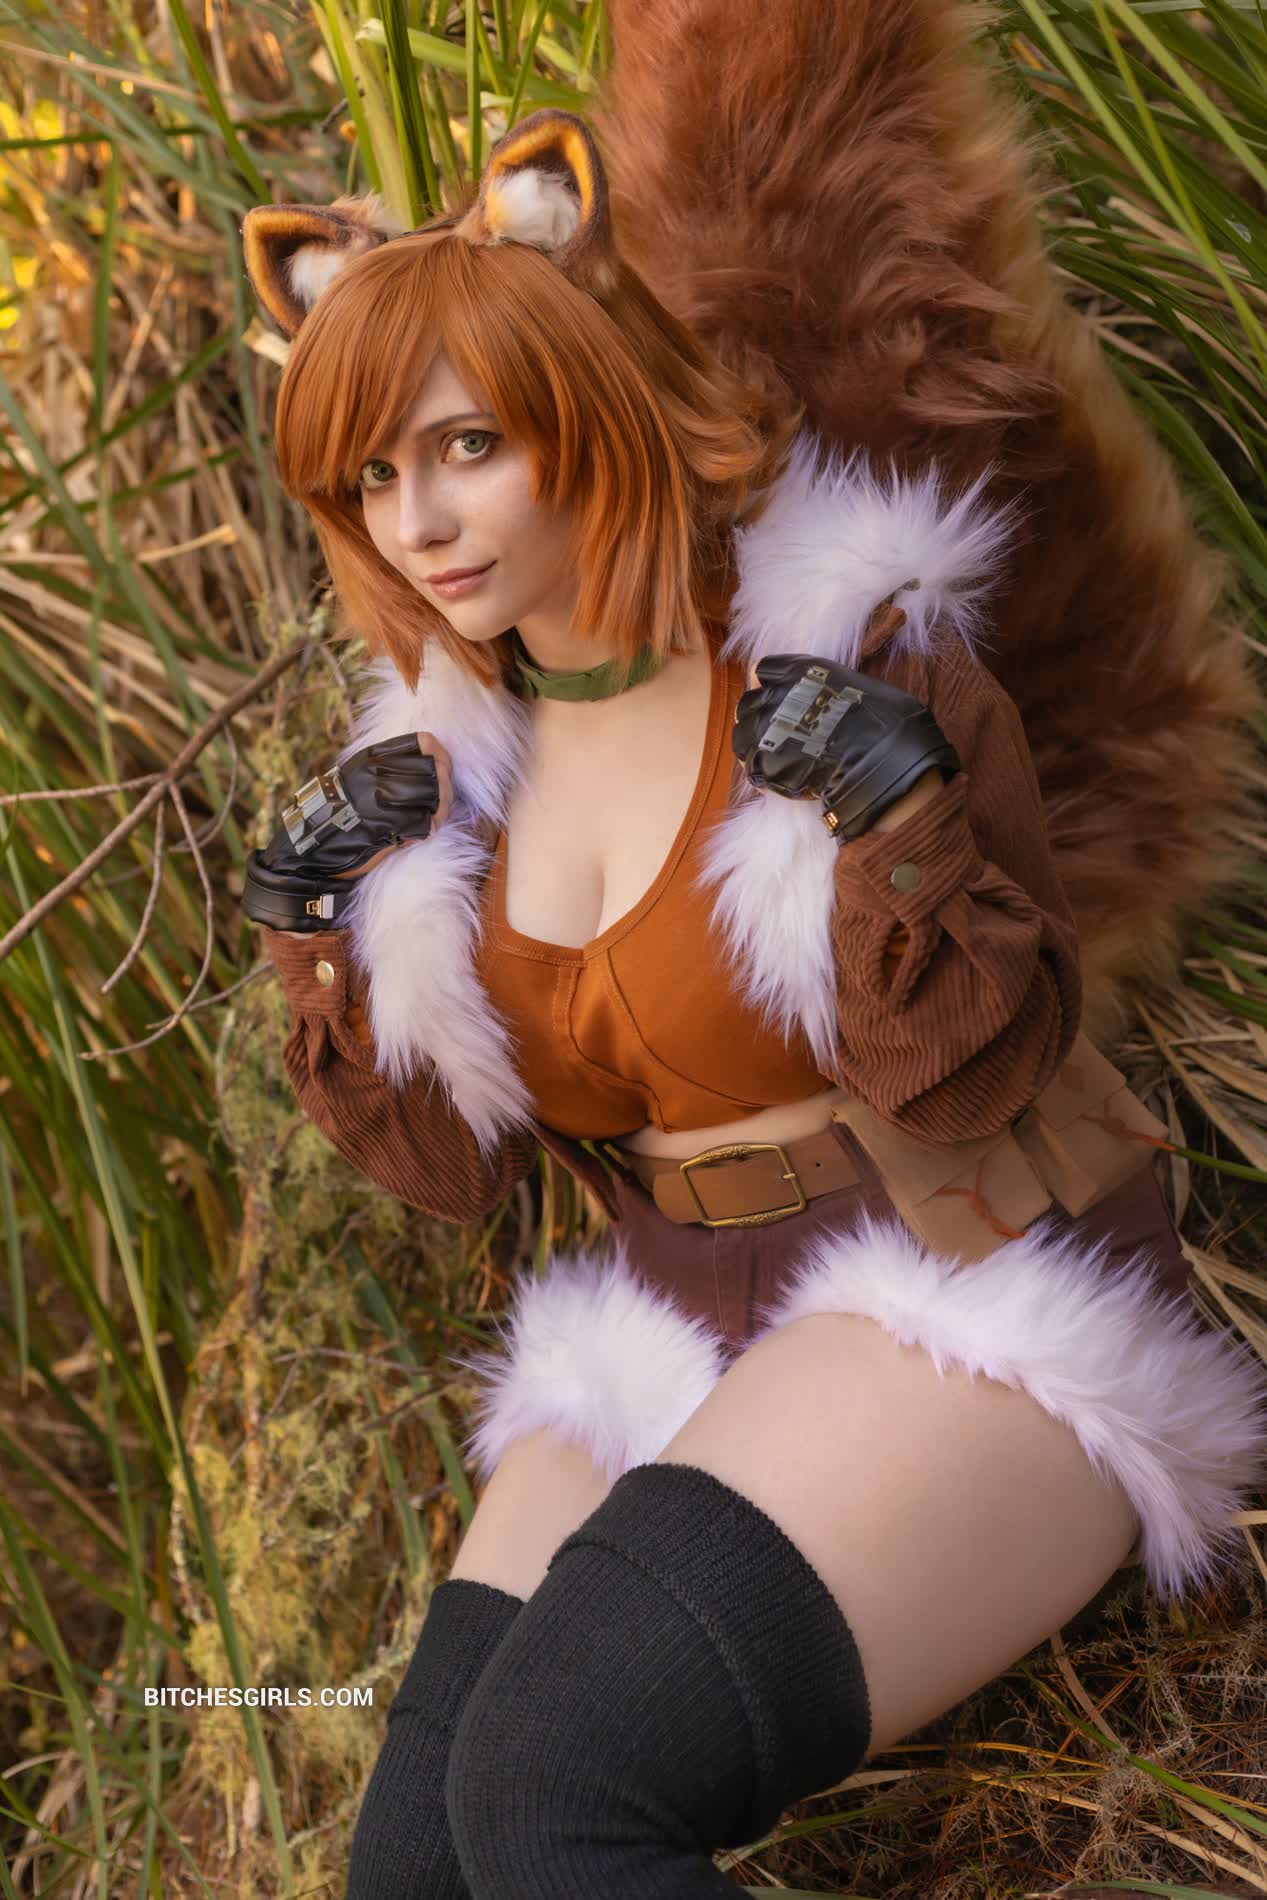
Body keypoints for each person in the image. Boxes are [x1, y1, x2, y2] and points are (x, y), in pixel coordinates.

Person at [237, 83, 1267, 1900]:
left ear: (587, 401)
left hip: (963, 1274)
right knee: (415, 1867)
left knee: (555, 1792)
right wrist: (319, 938)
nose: (420, 521)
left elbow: (976, 1074)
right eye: (374, 477)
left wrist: (891, 813)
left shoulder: (835, 659)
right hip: (667, 1310)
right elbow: (457, 1176)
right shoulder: (446, 777)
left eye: (466, 446)